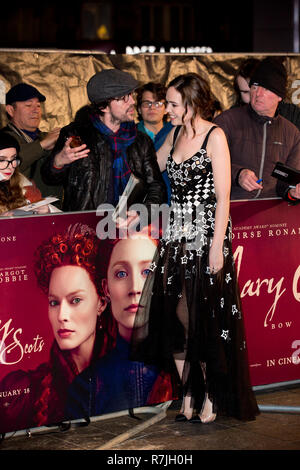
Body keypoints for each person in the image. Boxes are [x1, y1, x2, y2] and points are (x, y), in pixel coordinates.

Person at [130, 72, 259, 424]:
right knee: (173, 315)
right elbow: (147, 170)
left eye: (172, 104)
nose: (166, 110)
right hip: (176, 233)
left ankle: (213, 395)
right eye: (165, 103)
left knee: (203, 315)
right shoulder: (173, 134)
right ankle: (190, 389)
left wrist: (218, 246)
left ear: (191, 103)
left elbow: (222, 196)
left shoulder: (214, 136)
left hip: (206, 234)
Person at [0, 223, 107, 433]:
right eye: (54, 302)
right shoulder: (25, 393)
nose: (62, 316)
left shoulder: (131, 374)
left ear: (101, 303)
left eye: (75, 300)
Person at [65, 229, 175, 420]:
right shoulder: (85, 389)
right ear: (106, 288)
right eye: (121, 273)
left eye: (147, 272)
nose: (134, 288)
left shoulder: (185, 370)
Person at [41, 69, 167, 216]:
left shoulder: (140, 141)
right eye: (124, 98)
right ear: (103, 106)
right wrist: (58, 161)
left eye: (131, 95)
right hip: (85, 228)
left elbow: (156, 187)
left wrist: (141, 213)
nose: (132, 101)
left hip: (127, 226)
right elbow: (48, 178)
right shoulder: (76, 135)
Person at [215, 57, 300, 202]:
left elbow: (287, 182)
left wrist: (293, 193)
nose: (258, 93)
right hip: (229, 209)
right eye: (254, 87)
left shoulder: (292, 133)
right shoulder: (227, 121)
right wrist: (238, 174)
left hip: (269, 216)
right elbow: (205, 163)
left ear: (279, 96)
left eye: (266, 89)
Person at [3, 82, 62, 203]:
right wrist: (42, 145)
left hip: (54, 213)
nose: (36, 110)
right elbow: (10, 166)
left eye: (38, 106)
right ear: (10, 110)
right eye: (29, 105)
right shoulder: (3, 139)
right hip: (18, 213)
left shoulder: (48, 137)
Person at [232, 57, 300, 130]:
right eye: (245, 92)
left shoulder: (293, 114)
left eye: (259, 89)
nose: (254, 95)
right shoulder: (232, 118)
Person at [0, 131, 54, 216]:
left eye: (14, 158)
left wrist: (45, 213)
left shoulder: (24, 185)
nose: (11, 166)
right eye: (2, 160)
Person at [136, 82, 173, 204]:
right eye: (147, 103)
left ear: (166, 108)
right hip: (141, 205)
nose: (152, 107)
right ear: (139, 109)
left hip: (172, 203)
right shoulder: (130, 136)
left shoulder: (177, 133)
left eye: (158, 103)